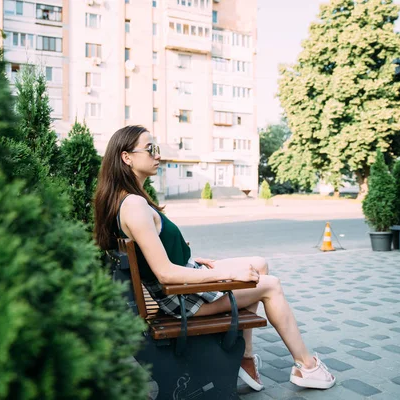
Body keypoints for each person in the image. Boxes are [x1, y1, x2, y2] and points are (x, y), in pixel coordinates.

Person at [93, 125, 336, 392]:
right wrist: (228, 276)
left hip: (180, 285)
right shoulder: (135, 206)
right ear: (127, 157)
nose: (158, 155)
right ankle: (307, 366)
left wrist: (189, 257)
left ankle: (244, 358)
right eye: (151, 149)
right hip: (181, 299)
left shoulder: (129, 200)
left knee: (259, 262)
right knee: (270, 284)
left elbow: (156, 256)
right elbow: (165, 274)